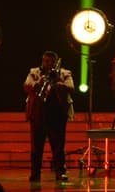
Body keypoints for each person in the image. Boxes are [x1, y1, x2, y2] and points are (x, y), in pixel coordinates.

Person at [24, 51, 76, 183]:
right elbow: (27, 85)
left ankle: (60, 172)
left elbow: (71, 87)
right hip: (38, 112)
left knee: (58, 146)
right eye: (46, 61)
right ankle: (35, 173)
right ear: (42, 61)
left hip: (57, 113)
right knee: (36, 147)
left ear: (56, 62)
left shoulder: (65, 73)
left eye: (52, 62)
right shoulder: (34, 72)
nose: (49, 64)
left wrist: (58, 82)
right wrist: (39, 82)